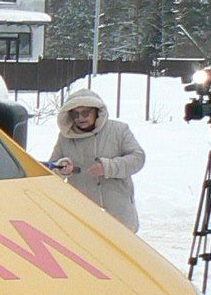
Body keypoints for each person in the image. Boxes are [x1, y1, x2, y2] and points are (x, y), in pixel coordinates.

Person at [49, 89, 145, 231]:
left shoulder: (118, 130)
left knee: (119, 251)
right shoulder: (65, 137)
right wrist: (62, 168)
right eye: (75, 114)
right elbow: (52, 168)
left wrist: (108, 167)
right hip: (84, 215)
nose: (80, 118)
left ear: (96, 111)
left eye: (85, 113)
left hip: (118, 212)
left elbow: (138, 158)